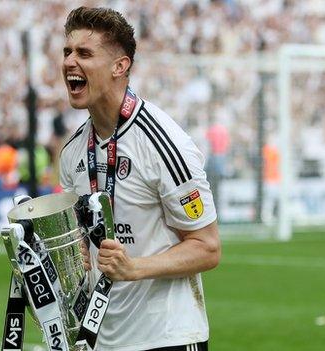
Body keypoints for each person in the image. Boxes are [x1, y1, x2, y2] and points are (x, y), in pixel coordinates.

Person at [59, 7, 220, 351]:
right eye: (67, 52)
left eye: (84, 53)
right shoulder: (73, 152)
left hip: (167, 338)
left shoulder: (164, 144)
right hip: (99, 339)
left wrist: (134, 267)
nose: (70, 62)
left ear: (120, 66)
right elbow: (81, 242)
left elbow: (207, 247)